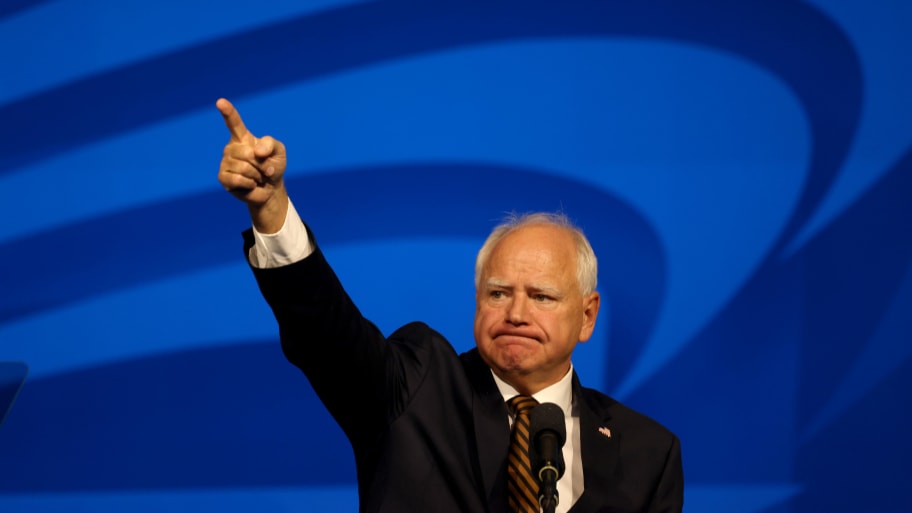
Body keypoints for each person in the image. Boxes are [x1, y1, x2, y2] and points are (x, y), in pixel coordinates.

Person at [216, 98, 684, 513]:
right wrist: (272, 210)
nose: (516, 313)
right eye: (498, 293)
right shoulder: (416, 389)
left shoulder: (647, 451)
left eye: (541, 297)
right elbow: (326, 333)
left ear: (587, 315)